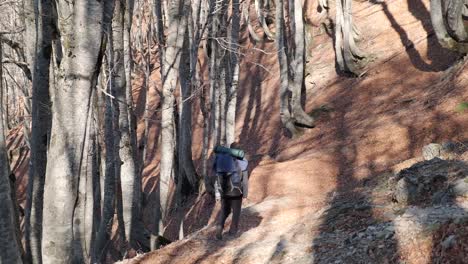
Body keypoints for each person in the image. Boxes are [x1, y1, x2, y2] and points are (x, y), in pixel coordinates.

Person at [212, 142, 249, 240]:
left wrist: (217, 192)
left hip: (224, 189)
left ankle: (219, 228)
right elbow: (245, 179)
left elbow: (217, 176)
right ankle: (232, 232)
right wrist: (245, 194)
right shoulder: (243, 160)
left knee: (225, 210)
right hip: (236, 190)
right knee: (236, 211)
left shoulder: (221, 159)